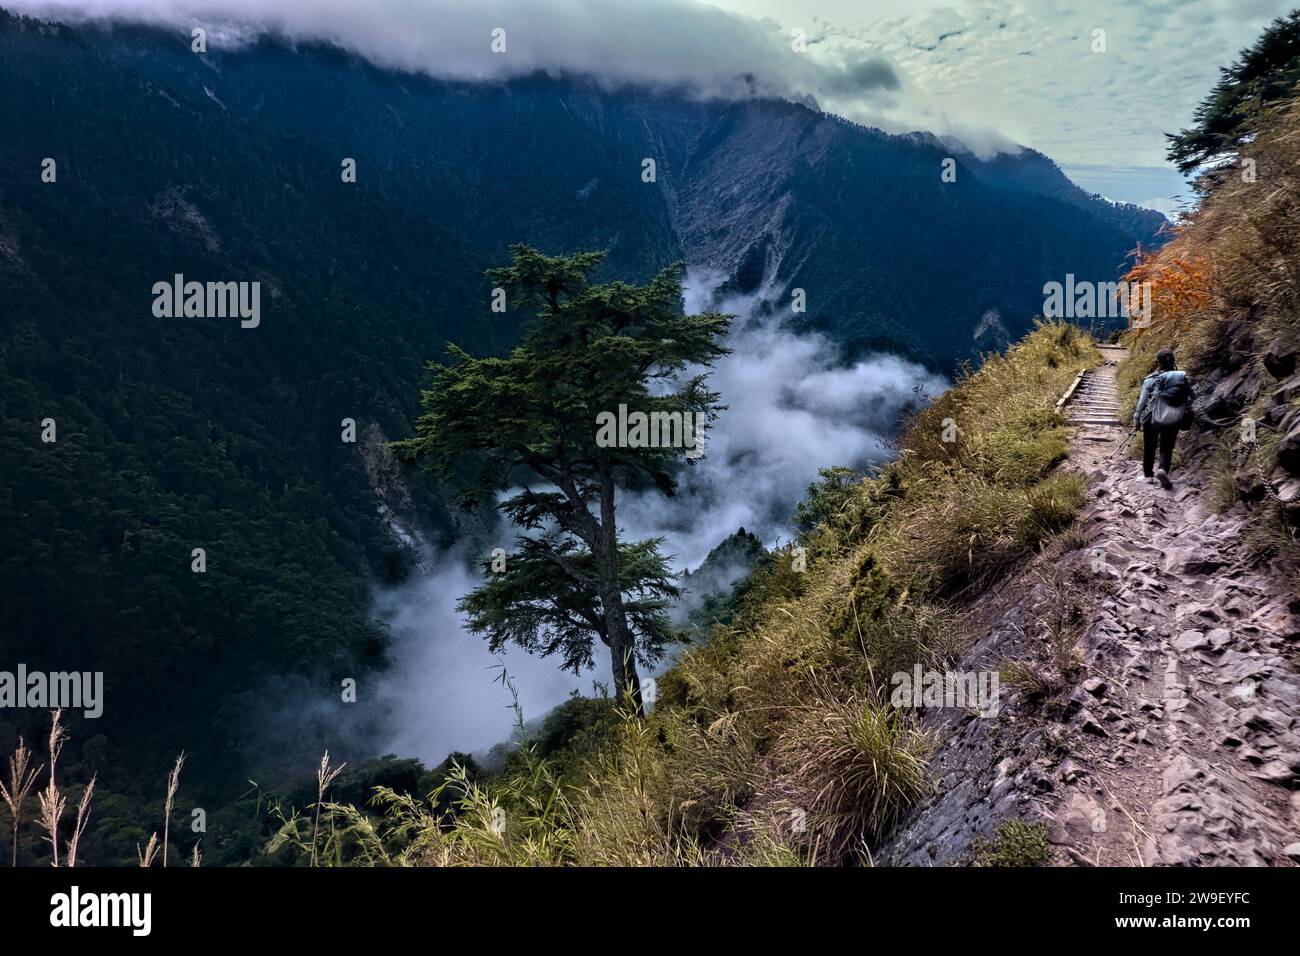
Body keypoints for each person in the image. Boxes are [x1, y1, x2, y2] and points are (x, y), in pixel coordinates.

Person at [1132, 348, 1194, 489]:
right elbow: (1191, 397)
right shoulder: (1183, 377)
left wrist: (1137, 418)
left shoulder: (1152, 379)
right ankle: (1162, 470)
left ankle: (1148, 476)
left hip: (1154, 418)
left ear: (1158, 362)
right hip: (1174, 418)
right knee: (1167, 446)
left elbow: (1142, 402)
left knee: (1149, 446)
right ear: (1173, 361)